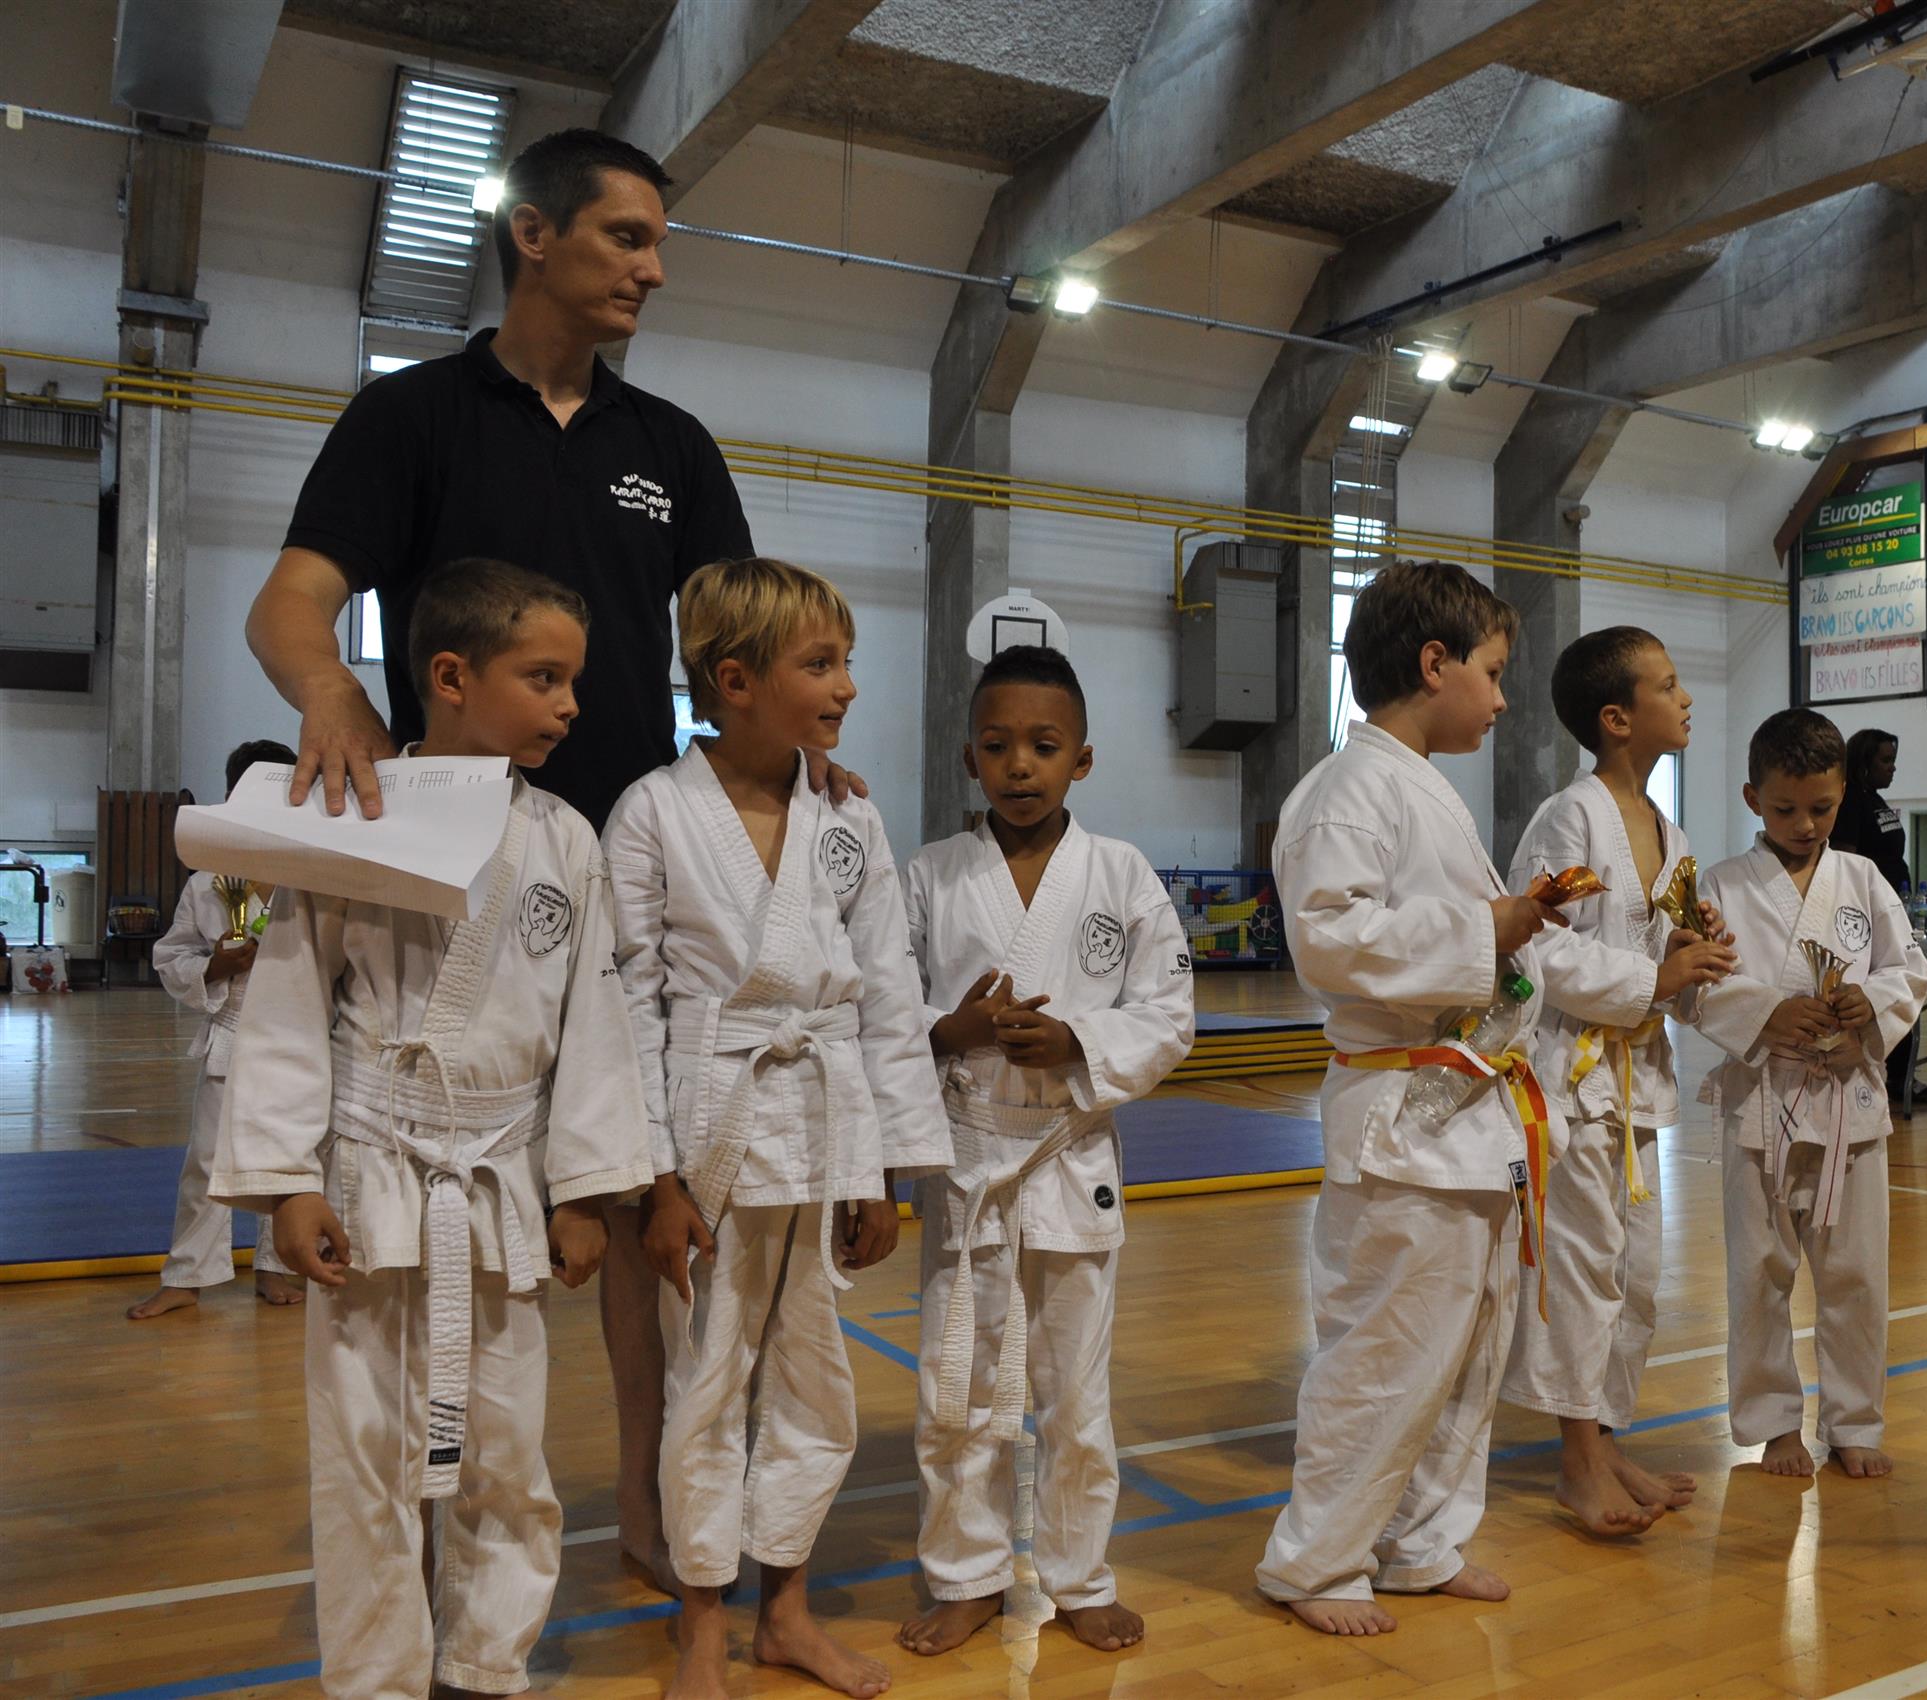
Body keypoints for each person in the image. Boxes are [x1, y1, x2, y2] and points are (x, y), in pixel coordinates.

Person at [241, 126, 856, 1591]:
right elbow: (291, 602)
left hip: (640, 858)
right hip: (451, 865)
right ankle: (412, 1543)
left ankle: (656, 1511)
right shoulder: (410, 416)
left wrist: (801, 742)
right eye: (626, 237)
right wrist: (334, 697)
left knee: (641, 1200)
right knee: (421, 1196)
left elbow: (745, 639)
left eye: (658, 244)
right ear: (534, 233)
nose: (653, 269)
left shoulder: (670, 446)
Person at [211, 559, 657, 1699]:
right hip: (371, 1171)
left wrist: (586, 1190)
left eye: (574, 681)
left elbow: (594, 1023)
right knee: (363, 1452)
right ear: (451, 677)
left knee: (508, 1449)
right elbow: (288, 1001)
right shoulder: (352, 810)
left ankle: (486, 1663)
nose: (570, 705)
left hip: (500, 1177)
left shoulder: (565, 839)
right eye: (544, 678)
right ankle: (376, 1677)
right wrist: (285, 1180)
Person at [1251, 562, 1724, 1636]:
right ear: (1435, 664)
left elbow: (1492, 958)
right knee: (1384, 1350)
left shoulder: (1418, 787)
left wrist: (1511, 944)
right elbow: (1327, 941)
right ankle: (1316, 1560)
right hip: (1401, 1113)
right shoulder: (1348, 789)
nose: (1506, 698)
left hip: (1467, 1113)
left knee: (1462, 1347)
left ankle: (1421, 1542)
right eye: (1494, 672)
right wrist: (1491, 931)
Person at [602, 558, 948, 1700]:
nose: (847, 685)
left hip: (825, 1114)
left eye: (846, 660)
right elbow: (630, 1002)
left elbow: (888, 989)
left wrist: (884, 1168)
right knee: (705, 1380)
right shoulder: (653, 810)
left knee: (814, 1379)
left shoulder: (847, 813)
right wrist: (656, 1178)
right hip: (709, 1122)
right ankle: (702, 1620)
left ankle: (784, 1611)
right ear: (734, 679)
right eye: (822, 663)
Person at [896, 645, 1195, 1658]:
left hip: (1071, 1156)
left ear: (1083, 759)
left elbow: (1170, 1014)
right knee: (958, 1382)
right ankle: (965, 1573)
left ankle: (1079, 1576)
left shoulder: (1122, 875)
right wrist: (950, 1030)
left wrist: (1077, 1042)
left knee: (1076, 1392)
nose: (1019, 765)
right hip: (970, 1162)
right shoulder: (931, 874)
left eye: (1043, 745)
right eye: (997, 745)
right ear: (969, 758)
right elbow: (884, 1008)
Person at [1498, 626, 1733, 1535]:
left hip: (1637, 1078)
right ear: (1616, 718)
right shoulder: (1570, 817)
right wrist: (1654, 977)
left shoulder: (1672, 834)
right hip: (1573, 1078)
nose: (1686, 699)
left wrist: (1693, 957)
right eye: (1667, 686)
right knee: (1584, 1267)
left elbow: (1658, 957)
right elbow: (1541, 946)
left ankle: (1606, 1439)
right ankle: (1576, 1463)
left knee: (1636, 1274)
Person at [1690, 709, 1927, 1479]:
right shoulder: (1719, 885)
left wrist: (1871, 1009)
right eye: (1785, 808)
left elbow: (1909, 970)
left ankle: (1854, 1421)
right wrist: (1766, 1012)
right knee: (1758, 1271)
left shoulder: (1862, 879)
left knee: (1857, 1273)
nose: (1805, 824)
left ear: (1842, 795)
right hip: (1760, 1100)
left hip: (1848, 1099)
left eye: (1821, 808)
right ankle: (1772, 1427)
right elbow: (1692, 987)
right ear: (1752, 798)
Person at [130, 738, 302, 1319]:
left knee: (291, 1156)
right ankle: (187, 1276)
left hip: (302, 1035)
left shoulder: (316, 875)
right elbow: (171, 955)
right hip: (233, 1030)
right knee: (207, 1159)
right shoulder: (209, 882)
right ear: (232, 796)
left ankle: (277, 1266)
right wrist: (216, 967)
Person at [1834, 728, 1927, 1106]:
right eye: (1886, 760)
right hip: (1867, 913)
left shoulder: (1876, 801)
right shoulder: (1852, 803)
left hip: (1894, 907)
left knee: (1902, 987)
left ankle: (1902, 1076)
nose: (1892, 768)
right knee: (1883, 991)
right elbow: (1846, 858)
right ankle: (1888, 1075)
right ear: (1864, 762)